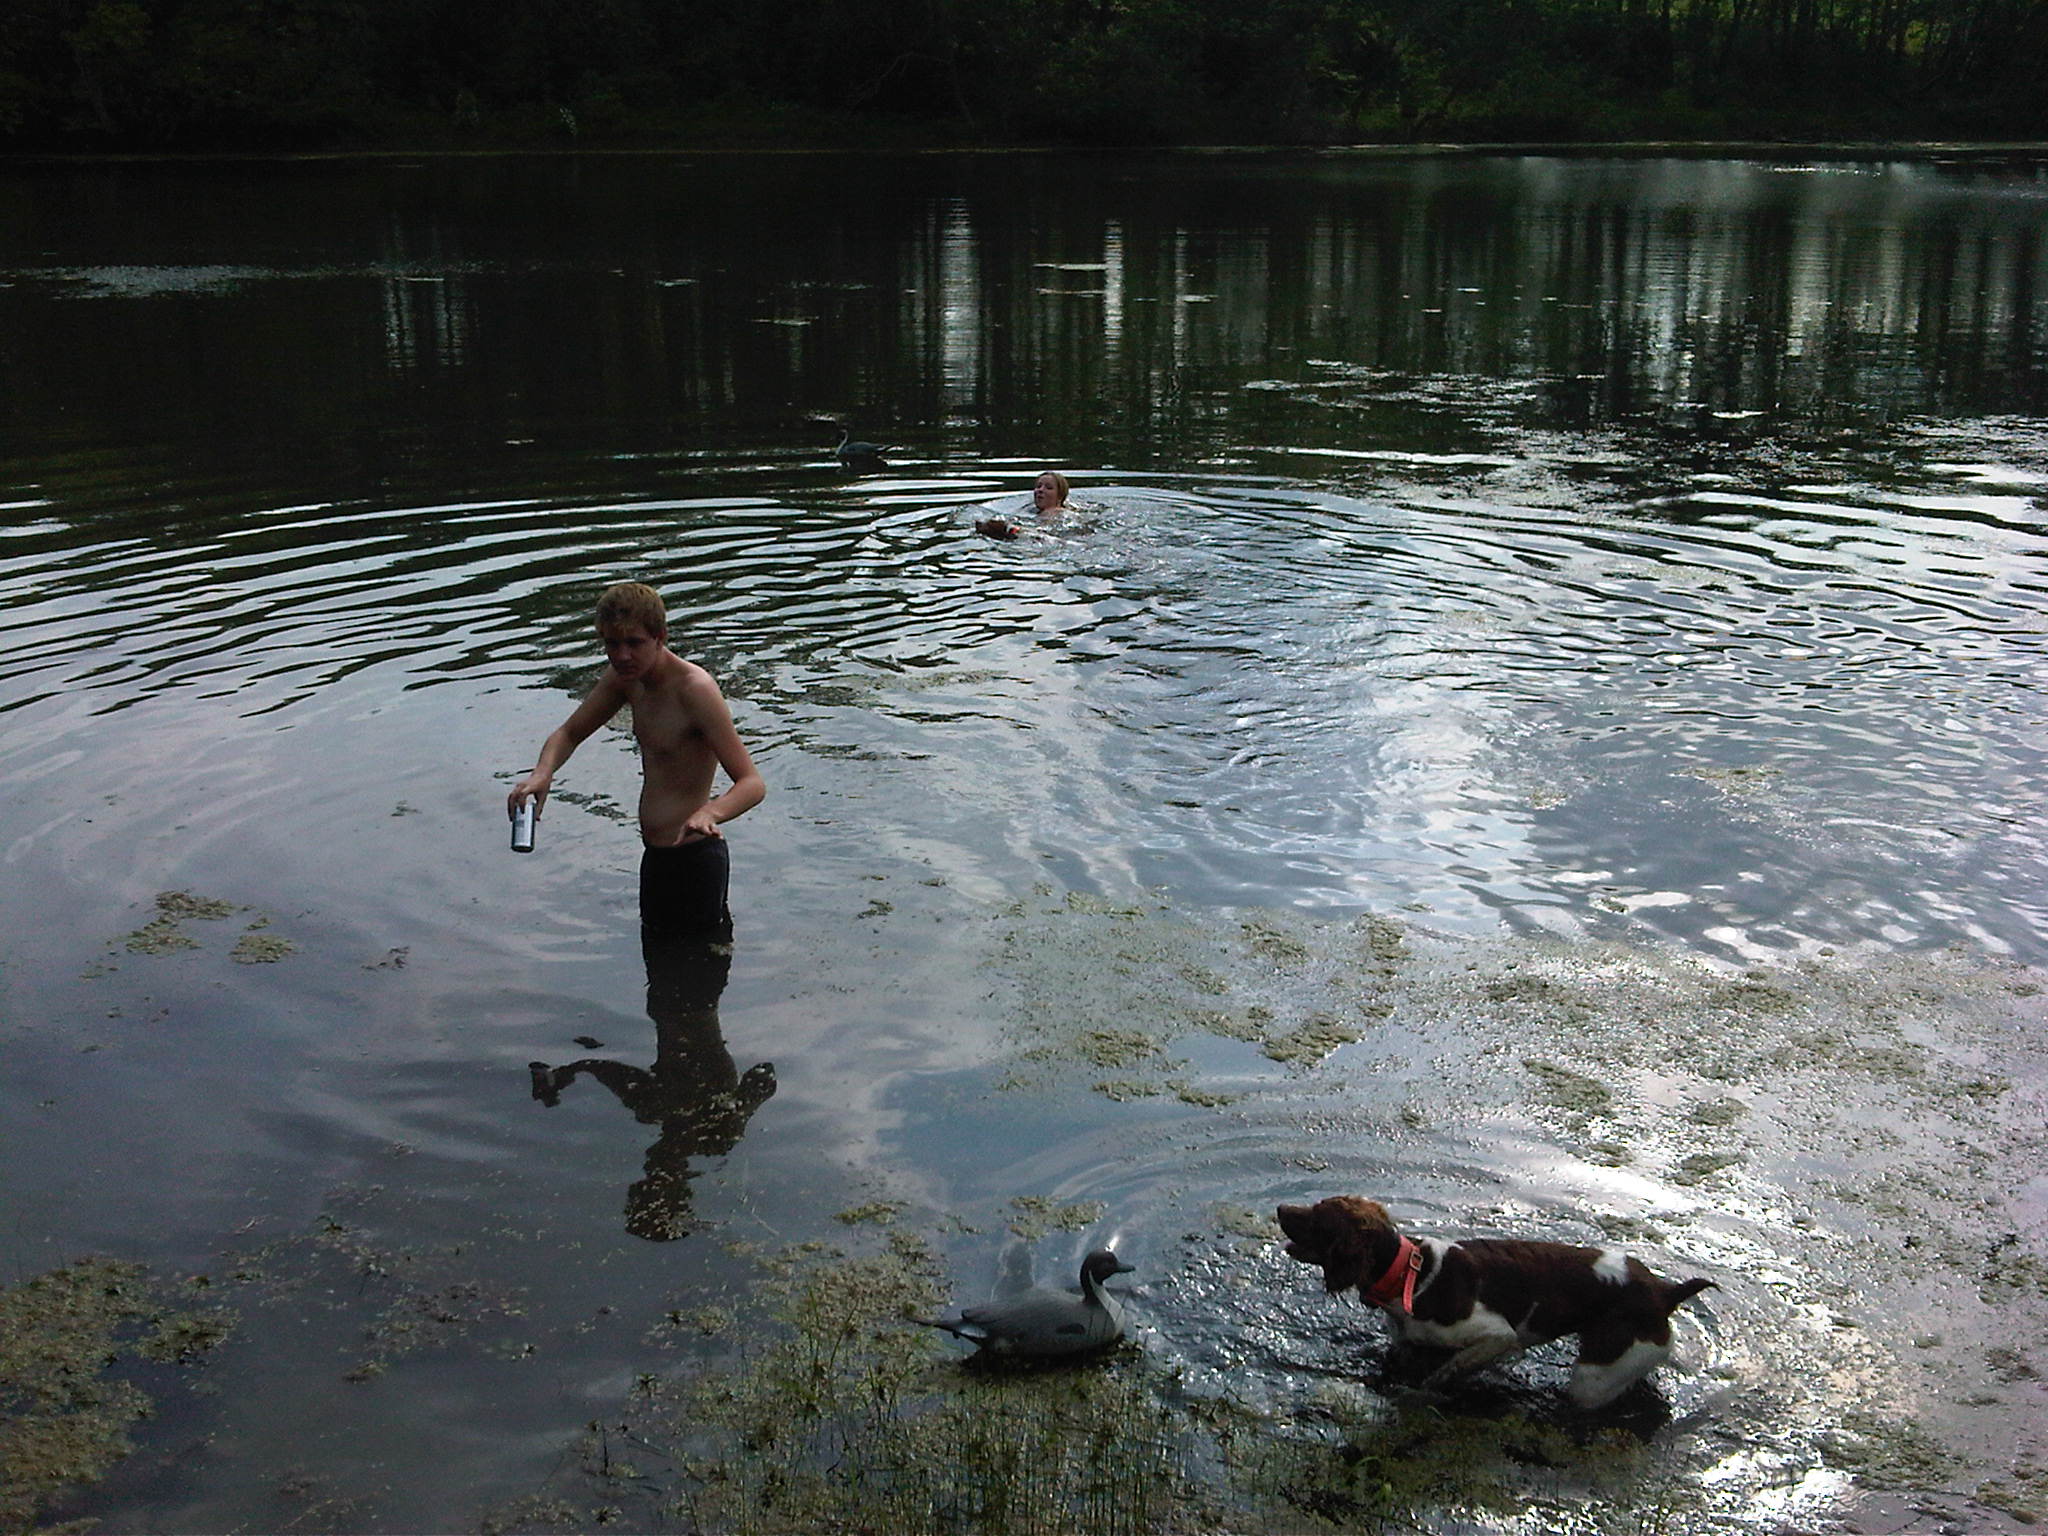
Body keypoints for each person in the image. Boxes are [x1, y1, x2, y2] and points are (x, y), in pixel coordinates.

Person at [508, 581, 765, 941]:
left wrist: (710, 813)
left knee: (697, 980)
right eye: (612, 644)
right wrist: (542, 773)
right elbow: (569, 733)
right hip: (655, 857)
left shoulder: (695, 690)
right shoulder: (626, 680)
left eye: (634, 643)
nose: (622, 655)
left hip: (696, 859)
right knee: (658, 975)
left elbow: (752, 783)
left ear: (660, 637)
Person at [976, 470, 1073, 540]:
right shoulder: (1036, 511)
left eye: (1048, 487)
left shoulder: (1053, 512)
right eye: (1038, 486)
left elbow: (1044, 535)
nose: (1040, 490)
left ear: (1060, 495)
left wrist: (1009, 528)